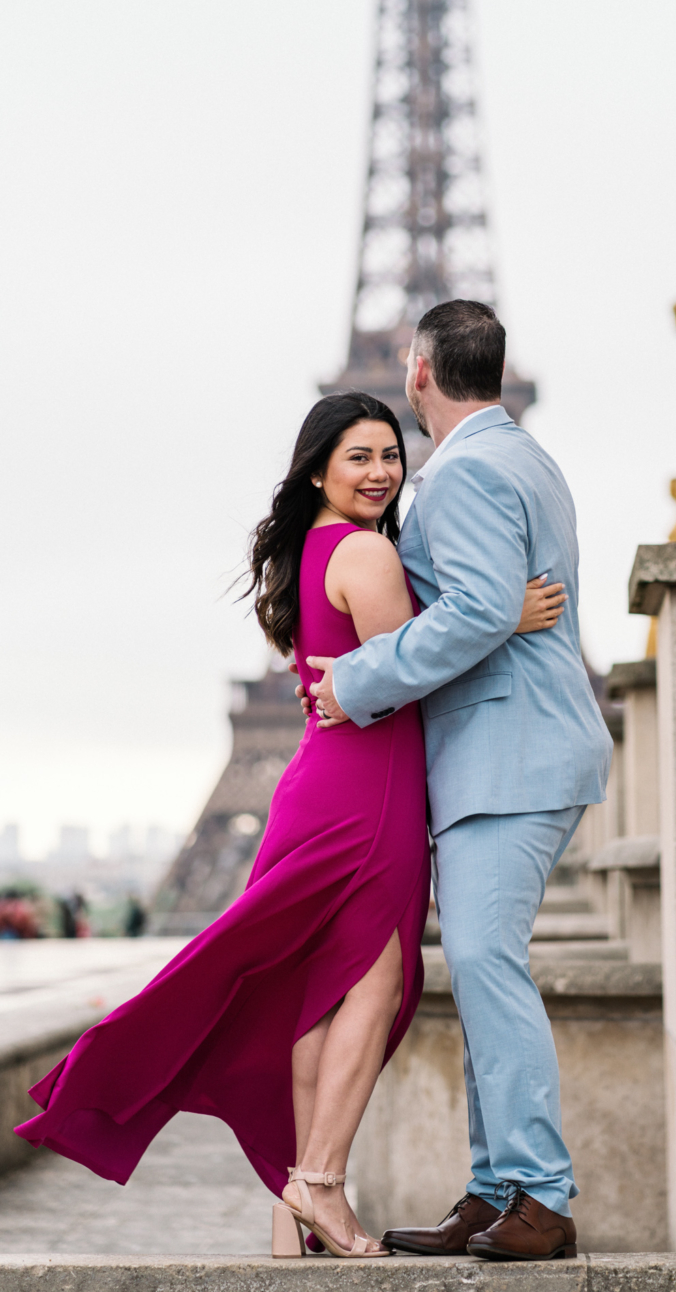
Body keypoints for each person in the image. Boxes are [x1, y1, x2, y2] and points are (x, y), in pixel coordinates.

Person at [15, 389, 562, 1259]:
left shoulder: (314, 549)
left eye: (391, 455)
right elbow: (416, 669)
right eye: (361, 457)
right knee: (377, 986)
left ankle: (293, 1193)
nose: (383, 472)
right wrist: (506, 619)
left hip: (321, 781)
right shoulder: (367, 557)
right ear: (318, 468)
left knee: (318, 993)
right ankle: (318, 1180)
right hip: (368, 789)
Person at [306, 299, 613, 1262]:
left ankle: (540, 1196)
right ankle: (493, 1190)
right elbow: (493, 603)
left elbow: (479, 605)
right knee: (484, 974)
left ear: (417, 371)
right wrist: (494, 609)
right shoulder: (523, 457)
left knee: (485, 967)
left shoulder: (467, 470)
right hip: (522, 750)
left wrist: (355, 680)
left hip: (505, 757)